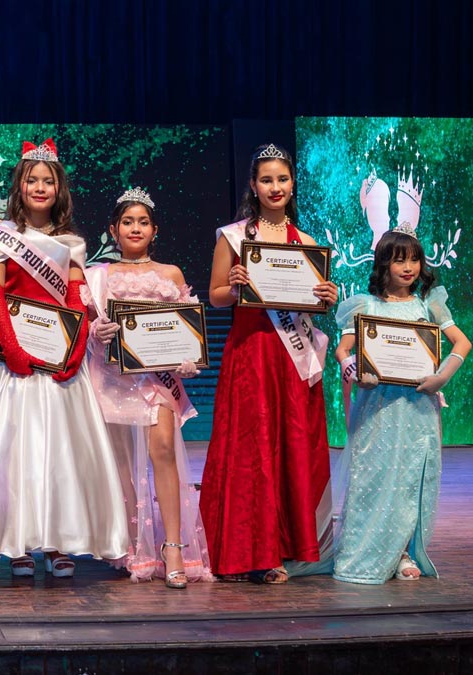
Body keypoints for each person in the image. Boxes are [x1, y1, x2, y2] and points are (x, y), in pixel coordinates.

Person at [0, 138, 130, 578]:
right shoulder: (0, 237)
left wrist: (74, 349)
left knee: (59, 455)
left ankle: (57, 541)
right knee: (15, 454)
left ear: (59, 189)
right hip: (13, 364)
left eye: (48, 181)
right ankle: (16, 543)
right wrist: (13, 349)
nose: (40, 188)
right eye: (32, 180)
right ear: (19, 187)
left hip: (59, 365)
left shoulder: (72, 242)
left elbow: (76, 297)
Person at [199, 143, 339, 584]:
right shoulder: (234, 236)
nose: (275, 187)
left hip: (293, 359)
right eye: (266, 180)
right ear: (253, 187)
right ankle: (249, 551)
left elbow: (312, 307)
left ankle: (288, 548)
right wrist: (236, 287)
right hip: (252, 355)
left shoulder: (309, 244)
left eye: (282, 179)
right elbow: (215, 295)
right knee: (252, 448)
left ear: (292, 183)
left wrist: (327, 300)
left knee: (291, 445)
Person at [83, 188, 212, 588]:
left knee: (162, 451)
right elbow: (85, 331)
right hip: (113, 379)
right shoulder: (97, 275)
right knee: (122, 464)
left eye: (142, 222)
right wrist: (95, 330)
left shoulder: (170, 273)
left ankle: (172, 544)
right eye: (127, 222)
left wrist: (190, 360)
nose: (134, 228)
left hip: (158, 381)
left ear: (154, 230)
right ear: (113, 230)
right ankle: (133, 545)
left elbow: (185, 330)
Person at [329, 227, 469, 583]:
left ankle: (403, 551)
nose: (408, 268)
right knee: (373, 477)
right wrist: (355, 371)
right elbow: (343, 350)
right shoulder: (366, 305)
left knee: (410, 479)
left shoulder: (429, 306)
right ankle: (364, 548)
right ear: (383, 264)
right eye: (398, 260)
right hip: (377, 405)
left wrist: (442, 377)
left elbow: (462, 344)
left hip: (419, 407)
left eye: (414, 259)